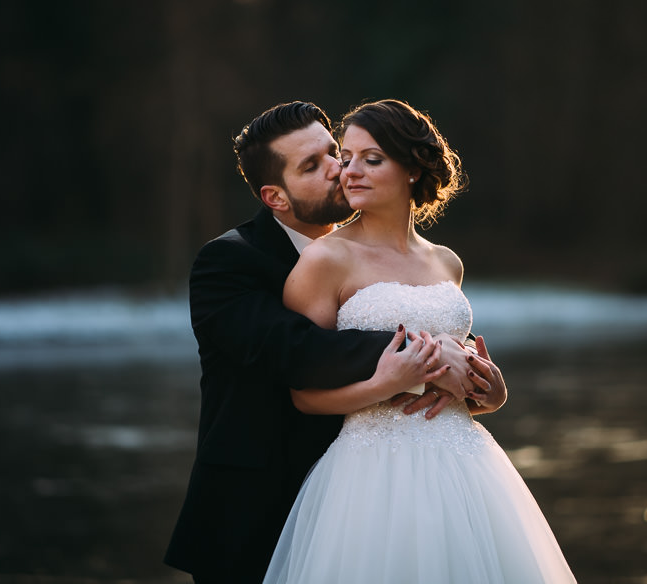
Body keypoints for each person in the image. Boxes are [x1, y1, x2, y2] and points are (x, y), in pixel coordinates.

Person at [164, 101, 505, 584]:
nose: (339, 169)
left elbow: (438, 353)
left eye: (333, 152)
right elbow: (296, 350)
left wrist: (477, 383)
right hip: (257, 506)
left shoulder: (405, 254)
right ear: (276, 197)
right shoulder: (227, 263)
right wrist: (430, 354)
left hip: (394, 489)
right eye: (313, 165)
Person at [262, 99, 576, 584]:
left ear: (411, 168)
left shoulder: (446, 262)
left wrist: (490, 392)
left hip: (466, 465)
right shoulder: (327, 261)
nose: (351, 171)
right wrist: (384, 383)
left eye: (373, 158)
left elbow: (456, 381)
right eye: (346, 158)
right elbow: (301, 394)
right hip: (370, 473)